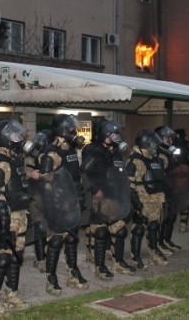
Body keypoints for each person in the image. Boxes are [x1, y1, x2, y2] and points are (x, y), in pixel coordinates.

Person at [0, 119, 35, 314]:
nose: (19, 138)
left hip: (19, 213)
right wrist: (3, 223)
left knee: (16, 257)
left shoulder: (15, 158)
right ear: (3, 139)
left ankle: (11, 294)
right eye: (14, 135)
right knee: (2, 258)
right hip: (6, 216)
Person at [40, 114, 89, 295]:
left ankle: (73, 271)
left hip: (73, 200)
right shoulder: (51, 152)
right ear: (61, 130)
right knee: (55, 241)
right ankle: (51, 278)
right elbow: (45, 180)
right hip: (58, 202)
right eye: (70, 129)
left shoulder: (70, 150)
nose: (73, 132)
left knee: (72, 238)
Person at [81, 119, 134, 280]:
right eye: (110, 135)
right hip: (101, 200)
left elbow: (120, 174)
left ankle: (118, 262)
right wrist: (95, 190)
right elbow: (84, 172)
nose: (114, 137)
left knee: (120, 231)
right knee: (101, 233)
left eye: (115, 134)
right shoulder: (94, 151)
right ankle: (100, 266)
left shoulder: (116, 152)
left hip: (116, 197)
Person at [125, 130, 169, 269]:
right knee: (138, 228)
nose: (155, 145)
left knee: (154, 226)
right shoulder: (134, 161)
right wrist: (137, 204)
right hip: (142, 200)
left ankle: (153, 251)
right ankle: (135, 256)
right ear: (144, 143)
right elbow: (129, 185)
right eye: (152, 142)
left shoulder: (154, 159)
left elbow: (160, 179)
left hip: (155, 199)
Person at [24, 129, 51, 274]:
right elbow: (21, 172)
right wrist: (30, 174)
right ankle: (40, 259)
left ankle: (43, 256)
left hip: (46, 196)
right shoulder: (29, 157)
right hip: (34, 195)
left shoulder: (49, 156)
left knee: (46, 228)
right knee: (40, 227)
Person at [153, 126, 182, 254]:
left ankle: (167, 240)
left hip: (172, 189)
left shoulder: (169, 152)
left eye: (170, 138)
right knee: (163, 218)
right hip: (164, 190)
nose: (169, 140)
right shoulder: (158, 153)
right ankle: (159, 244)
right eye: (166, 138)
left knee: (171, 217)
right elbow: (160, 174)